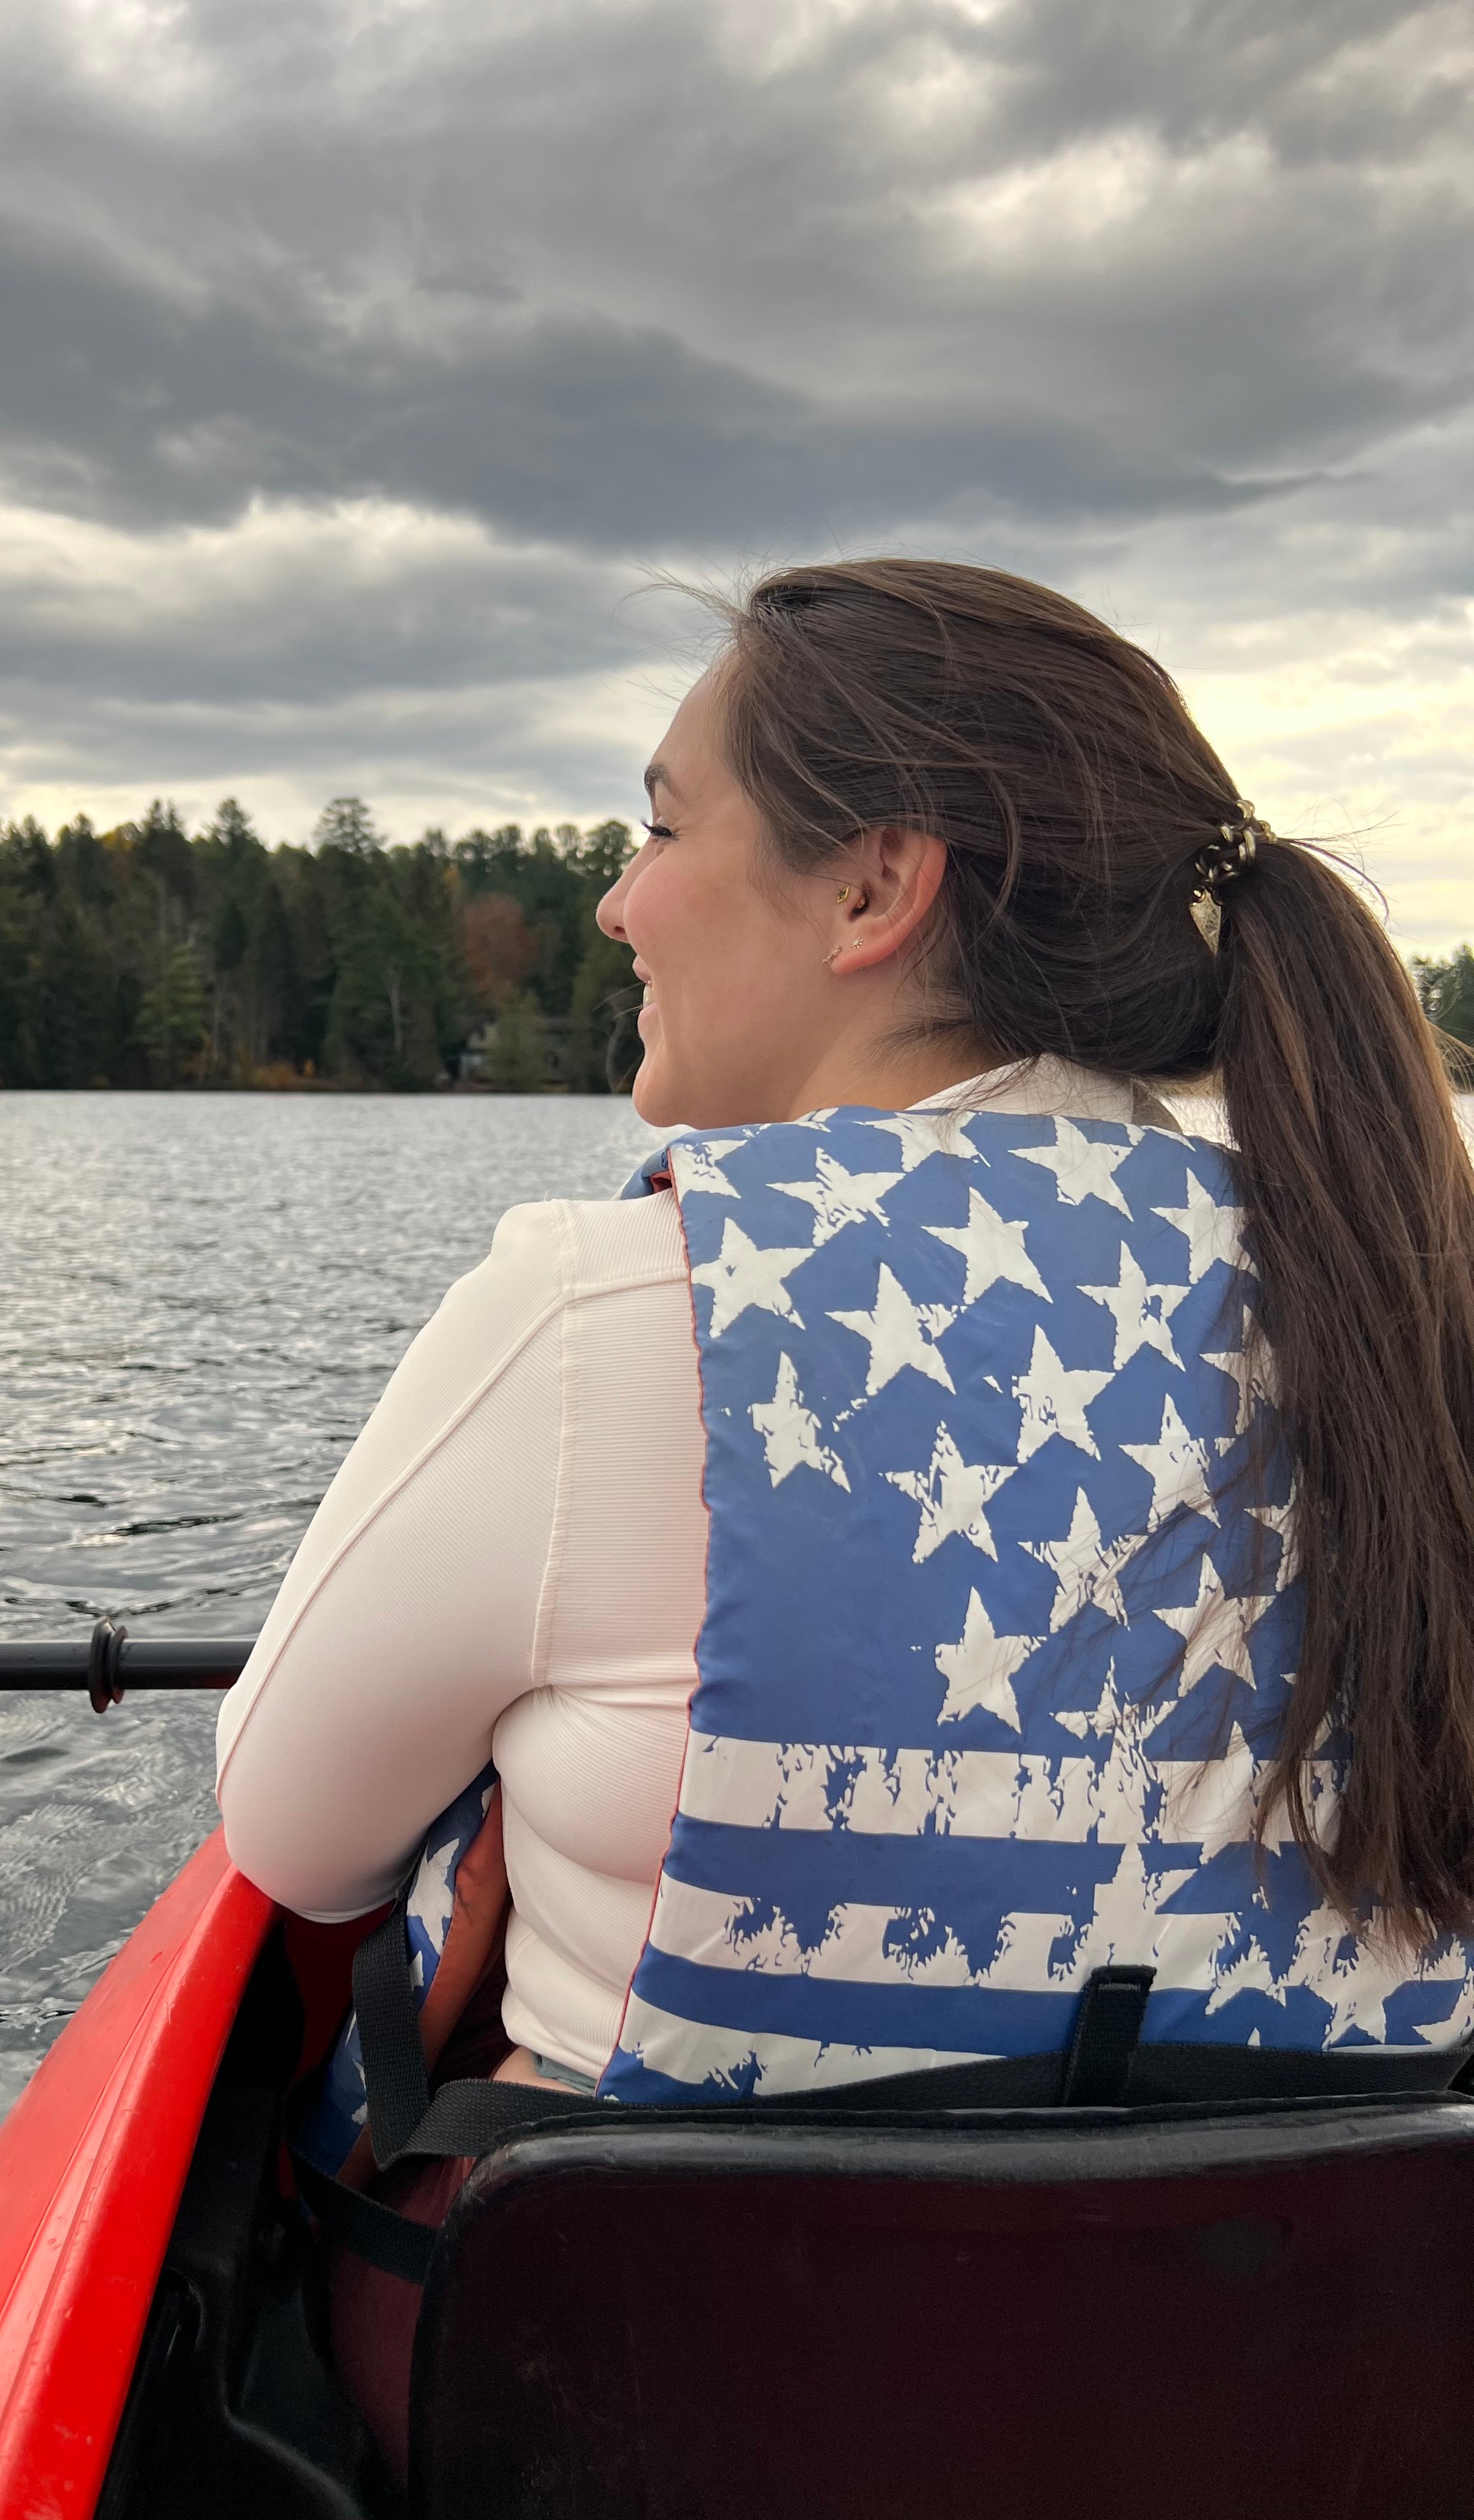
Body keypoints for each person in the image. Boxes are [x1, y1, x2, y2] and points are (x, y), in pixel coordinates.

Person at [214, 558, 1474, 2471]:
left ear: (878, 889)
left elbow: (296, 1848)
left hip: (657, 2425)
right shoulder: (1401, 1295)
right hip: (1274, 2420)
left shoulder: (606, 1307)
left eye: (659, 824)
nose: (618, 898)